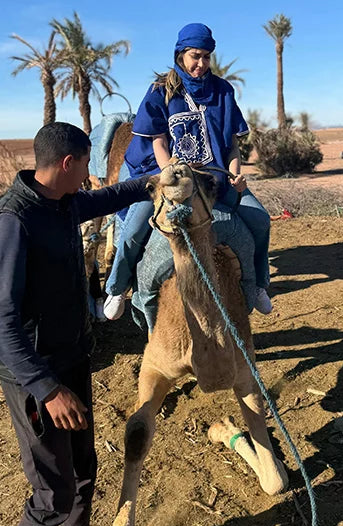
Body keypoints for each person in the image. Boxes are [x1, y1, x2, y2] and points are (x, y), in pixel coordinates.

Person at [0, 122, 150, 526]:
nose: (91, 177)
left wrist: (152, 182)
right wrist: (47, 389)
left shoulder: (62, 203)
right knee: (51, 495)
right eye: (87, 166)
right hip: (35, 378)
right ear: (69, 163)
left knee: (83, 473)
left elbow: (107, 198)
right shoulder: (14, 222)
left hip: (72, 360)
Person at [103, 22, 273, 321]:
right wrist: (172, 175)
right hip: (165, 175)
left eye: (207, 57)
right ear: (181, 54)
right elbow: (158, 144)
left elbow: (232, 145)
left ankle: (259, 285)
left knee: (260, 220)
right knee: (134, 227)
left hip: (215, 178)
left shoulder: (222, 90)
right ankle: (117, 287)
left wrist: (235, 174)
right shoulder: (160, 91)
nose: (201, 63)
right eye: (196, 56)